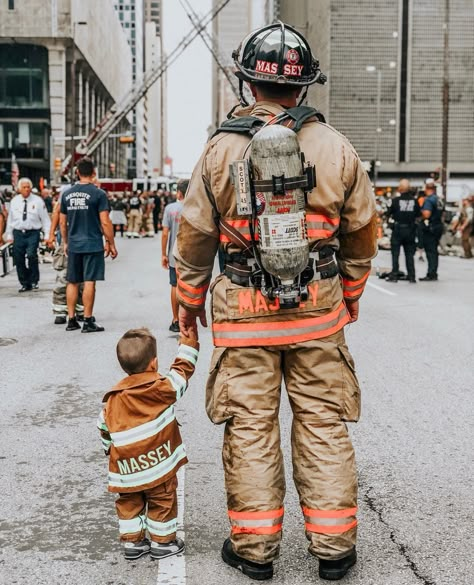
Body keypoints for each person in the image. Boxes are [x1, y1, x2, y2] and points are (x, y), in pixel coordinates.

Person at [175, 22, 377, 582]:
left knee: (249, 427)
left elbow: (194, 235)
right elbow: (361, 232)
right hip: (318, 313)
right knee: (323, 424)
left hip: (243, 318)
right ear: (305, 87)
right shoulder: (336, 146)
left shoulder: (220, 148)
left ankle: (255, 550)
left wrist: (188, 304)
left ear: (248, 81)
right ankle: (334, 548)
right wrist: (351, 293)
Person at [97, 327, 199, 560]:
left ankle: (133, 543)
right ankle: (163, 542)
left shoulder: (112, 400)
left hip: (125, 470)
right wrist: (189, 342)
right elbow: (182, 371)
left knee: (129, 502)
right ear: (154, 364)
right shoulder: (160, 388)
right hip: (157, 465)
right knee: (162, 499)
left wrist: (108, 449)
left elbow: (103, 426)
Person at [60, 157, 117, 332]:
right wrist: (111, 243)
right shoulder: (98, 194)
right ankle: (87, 320)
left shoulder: (67, 194)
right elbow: (105, 222)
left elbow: (62, 222)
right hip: (92, 243)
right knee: (89, 281)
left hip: (74, 243)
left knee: (72, 281)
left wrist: (65, 242)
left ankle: (71, 320)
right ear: (93, 173)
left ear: (77, 172)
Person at [4, 177, 51, 292]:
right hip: (18, 232)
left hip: (32, 232)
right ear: (19, 189)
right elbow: (10, 219)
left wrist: (47, 235)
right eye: (24, 187)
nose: (26, 189)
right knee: (18, 258)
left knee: (31, 255)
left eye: (28, 187)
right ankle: (25, 282)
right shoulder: (14, 201)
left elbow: (45, 219)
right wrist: (9, 235)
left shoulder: (38, 201)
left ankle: (34, 280)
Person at [46, 198, 84, 325]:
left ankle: (80, 309)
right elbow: (57, 213)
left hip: (83, 237)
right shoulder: (68, 194)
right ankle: (60, 310)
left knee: (83, 278)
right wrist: (51, 234)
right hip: (65, 238)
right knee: (64, 275)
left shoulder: (93, 193)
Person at [162, 179, 189, 333]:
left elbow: (165, 233)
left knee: (175, 285)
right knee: (191, 285)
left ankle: (176, 319)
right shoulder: (196, 207)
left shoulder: (170, 208)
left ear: (179, 192)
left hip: (174, 253)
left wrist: (163, 254)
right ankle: (188, 319)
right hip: (192, 255)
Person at [386, 179, 421, 283]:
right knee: (409, 254)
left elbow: (388, 213)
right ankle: (411, 275)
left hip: (398, 229)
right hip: (410, 230)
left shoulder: (395, 201)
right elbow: (418, 215)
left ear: (400, 189)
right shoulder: (414, 201)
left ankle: (394, 274)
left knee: (395, 253)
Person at [419, 178, 443, 281]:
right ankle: (433, 272)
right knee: (434, 251)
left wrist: (420, 212)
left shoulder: (428, 199)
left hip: (431, 228)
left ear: (426, 187)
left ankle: (431, 273)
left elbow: (427, 214)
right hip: (438, 226)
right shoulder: (438, 199)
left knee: (430, 251)